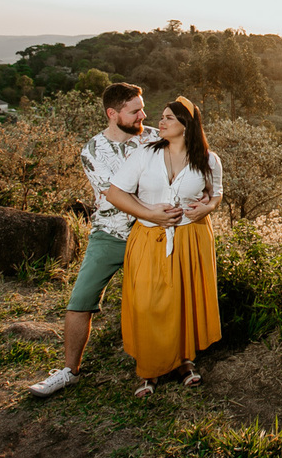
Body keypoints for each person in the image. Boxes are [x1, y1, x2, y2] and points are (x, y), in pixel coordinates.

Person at [28, 82, 182, 397]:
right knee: (80, 300)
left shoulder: (156, 137)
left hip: (154, 234)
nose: (143, 115)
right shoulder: (93, 151)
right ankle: (69, 371)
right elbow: (115, 194)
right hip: (111, 233)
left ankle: (173, 361)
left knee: (162, 299)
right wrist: (151, 213)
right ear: (113, 114)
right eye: (135, 111)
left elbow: (186, 163)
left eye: (142, 108)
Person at [105, 95, 223, 397]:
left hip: (191, 237)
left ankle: (184, 361)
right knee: (147, 302)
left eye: (169, 117)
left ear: (186, 124)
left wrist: (207, 208)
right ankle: (149, 368)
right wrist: (149, 214)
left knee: (184, 300)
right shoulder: (146, 154)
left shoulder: (208, 159)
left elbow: (216, 194)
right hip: (149, 237)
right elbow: (115, 194)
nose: (161, 121)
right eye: (162, 116)